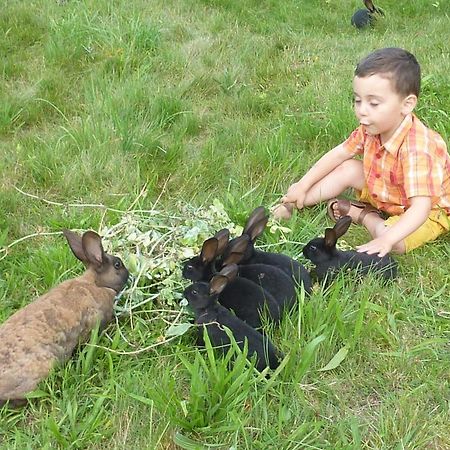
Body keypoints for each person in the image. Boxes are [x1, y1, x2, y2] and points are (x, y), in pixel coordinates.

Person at [273, 47, 450, 257]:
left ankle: (365, 215)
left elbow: (421, 207)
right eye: (357, 100)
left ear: (407, 104)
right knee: (347, 168)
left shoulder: (418, 148)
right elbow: (339, 154)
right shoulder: (370, 129)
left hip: (428, 210)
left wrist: (387, 238)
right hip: (390, 189)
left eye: (373, 103)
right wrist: (303, 184)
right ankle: (294, 203)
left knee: (395, 241)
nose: (362, 110)